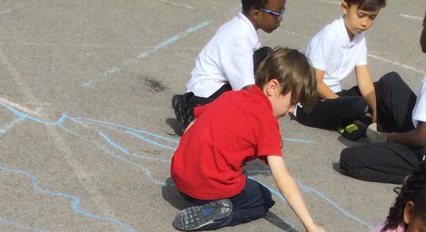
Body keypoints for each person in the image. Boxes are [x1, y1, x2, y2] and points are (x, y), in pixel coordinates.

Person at [170, 47, 328, 232]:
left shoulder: (231, 96)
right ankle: (222, 214)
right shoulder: (266, 123)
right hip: (205, 191)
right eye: (291, 102)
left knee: (236, 174)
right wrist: (310, 225)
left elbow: (192, 125)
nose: (291, 110)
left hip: (180, 180)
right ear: (272, 87)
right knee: (261, 198)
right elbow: (283, 179)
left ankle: (211, 199)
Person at [171, 0, 286, 138]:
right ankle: (190, 111)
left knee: (268, 59)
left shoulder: (242, 27)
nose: (280, 19)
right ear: (256, 13)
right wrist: (268, 123)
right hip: (205, 95)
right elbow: (246, 90)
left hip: (219, 88)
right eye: (277, 13)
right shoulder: (239, 37)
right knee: (233, 126)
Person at [339, 11, 426, 183]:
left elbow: (421, 137)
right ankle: (386, 140)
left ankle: (417, 178)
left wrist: (391, 137)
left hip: (422, 152)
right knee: (389, 82)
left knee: (349, 159)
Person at [294, 0, 385, 137]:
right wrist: (341, 104)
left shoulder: (359, 37)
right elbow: (315, 83)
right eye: (361, 15)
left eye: (372, 17)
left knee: (383, 89)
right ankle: (355, 121)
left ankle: (358, 121)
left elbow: (364, 81)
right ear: (345, 7)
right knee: (359, 104)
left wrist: (376, 112)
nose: (365, 23)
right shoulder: (329, 36)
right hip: (312, 104)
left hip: (336, 95)